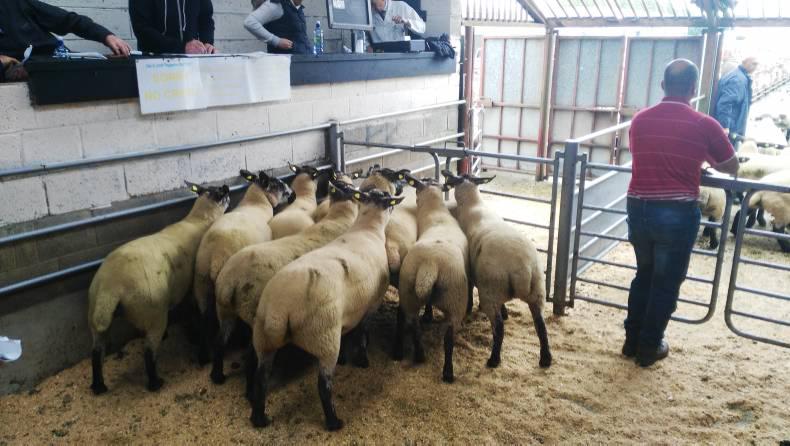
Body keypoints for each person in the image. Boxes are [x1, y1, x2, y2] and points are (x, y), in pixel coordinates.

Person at [624, 59, 739, 368]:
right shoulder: (704, 124)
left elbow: (643, 156)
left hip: (638, 205)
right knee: (666, 281)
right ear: (693, 87)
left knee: (644, 274)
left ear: (663, 85)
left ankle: (631, 341)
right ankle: (649, 347)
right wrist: (701, 161)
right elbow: (731, 165)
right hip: (675, 211)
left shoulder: (640, 120)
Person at [0, 0, 131, 81]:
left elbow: (68, 20)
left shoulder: (15, 4)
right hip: (33, 76)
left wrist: (106, 36)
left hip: (60, 63)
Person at [130, 0, 216, 55]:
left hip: (192, 61)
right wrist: (182, 47)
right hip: (153, 62)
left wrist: (207, 44)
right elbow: (142, 29)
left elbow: (206, 19)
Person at [713, 57, 758, 147]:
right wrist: (725, 126)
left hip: (730, 127)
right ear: (744, 62)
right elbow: (725, 103)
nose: (755, 67)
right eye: (753, 63)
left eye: (757, 64)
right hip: (729, 130)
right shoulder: (738, 80)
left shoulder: (739, 76)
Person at [243, 0, 310, 54]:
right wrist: (276, 41)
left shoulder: (298, 8)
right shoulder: (277, 5)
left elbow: (302, 38)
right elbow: (249, 22)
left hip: (301, 60)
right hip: (283, 62)